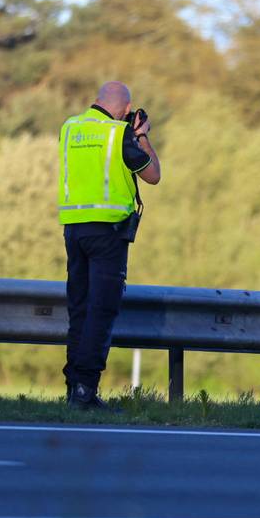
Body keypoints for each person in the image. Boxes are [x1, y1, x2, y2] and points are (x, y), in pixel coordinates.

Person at [57, 81, 161, 410]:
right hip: (108, 233)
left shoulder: (70, 128)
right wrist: (141, 134)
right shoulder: (119, 135)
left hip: (74, 230)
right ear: (126, 110)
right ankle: (86, 391)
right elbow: (153, 175)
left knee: (79, 309)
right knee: (102, 311)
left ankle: (73, 388)